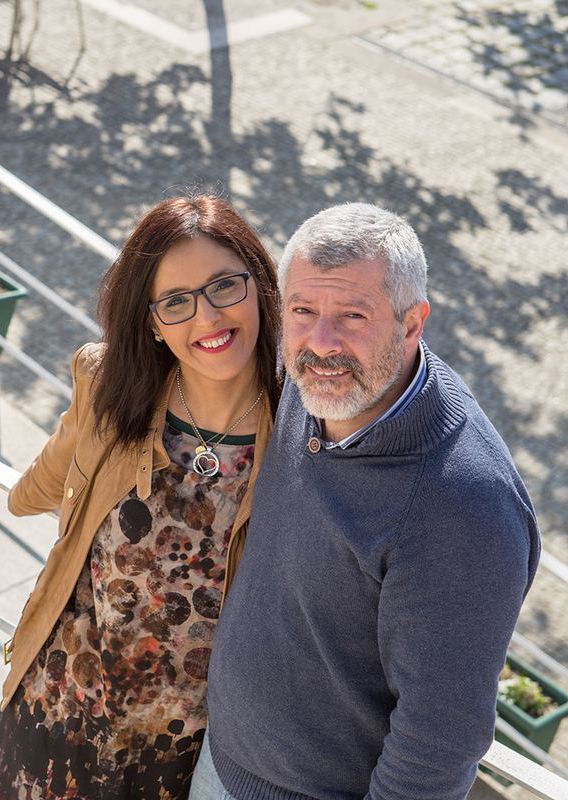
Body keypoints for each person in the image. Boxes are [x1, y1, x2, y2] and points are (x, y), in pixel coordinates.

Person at [192, 202, 541, 800]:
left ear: (413, 323)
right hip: (217, 759)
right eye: (302, 311)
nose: (321, 344)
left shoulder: (464, 507)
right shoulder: (309, 383)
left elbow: (439, 742)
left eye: (353, 315)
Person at [0, 193, 283, 799]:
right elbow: (34, 490)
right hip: (53, 717)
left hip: (178, 763)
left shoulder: (304, 437)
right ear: (151, 321)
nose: (208, 319)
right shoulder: (109, 387)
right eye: (176, 302)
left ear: (260, 286)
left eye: (225, 286)